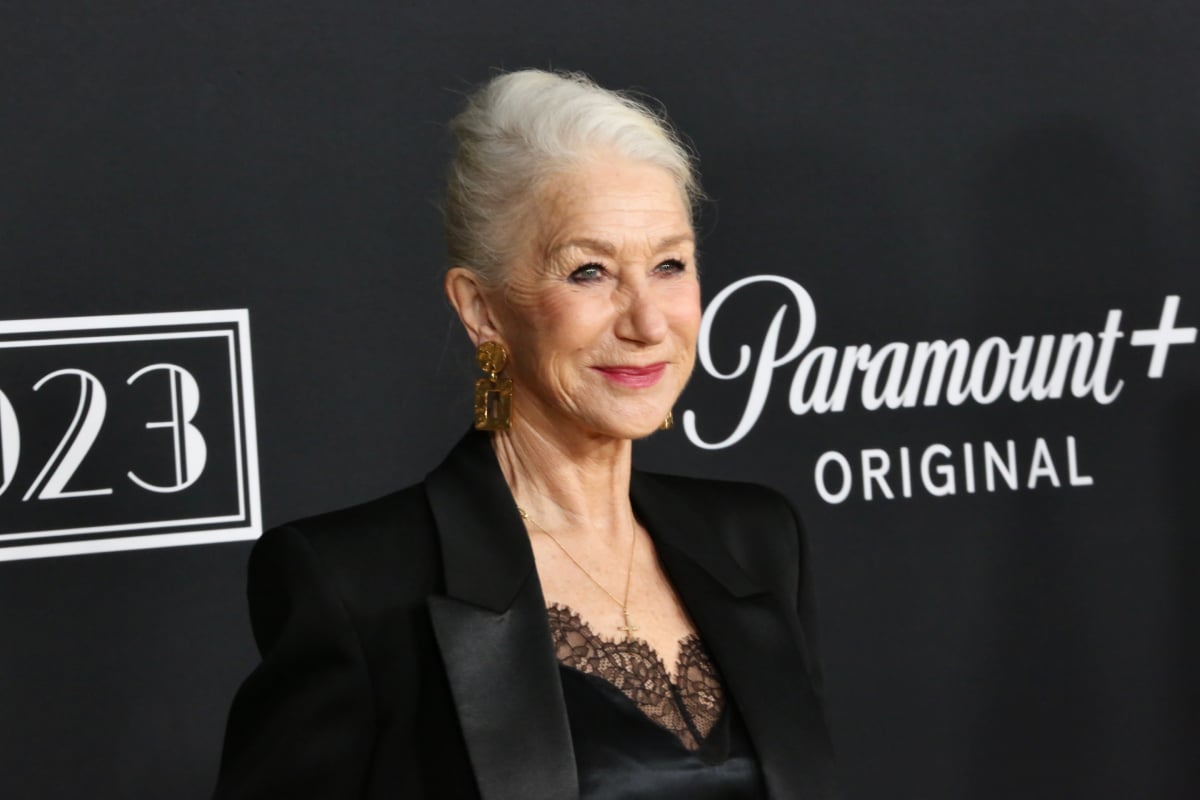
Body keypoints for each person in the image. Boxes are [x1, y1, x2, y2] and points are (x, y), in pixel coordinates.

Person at [213, 69, 836, 799]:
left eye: (670, 265)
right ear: (481, 309)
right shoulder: (358, 586)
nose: (645, 322)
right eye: (589, 272)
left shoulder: (757, 540)